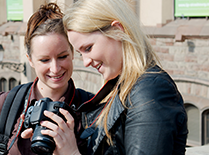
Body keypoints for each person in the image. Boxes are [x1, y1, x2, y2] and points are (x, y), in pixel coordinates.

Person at [62, 0, 188, 154]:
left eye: (88, 48)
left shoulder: (150, 91)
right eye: (81, 54)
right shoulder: (123, 85)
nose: (86, 62)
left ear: (117, 30)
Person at [0, 3, 93, 155]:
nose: (55, 68)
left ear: (72, 52)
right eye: (44, 60)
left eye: (62, 56)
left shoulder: (93, 109)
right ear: (30, 60)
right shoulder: (6, 106)